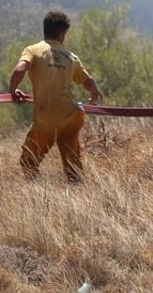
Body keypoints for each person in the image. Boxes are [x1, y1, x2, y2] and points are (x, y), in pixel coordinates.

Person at [8, 11, 103, 184]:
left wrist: (13, 90)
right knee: (72, 165)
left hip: (46, 119)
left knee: (28, 161)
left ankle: (38, 195)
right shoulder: (71, 57)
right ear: (62, 34)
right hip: (71, 116)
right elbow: (88, 81)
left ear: (45, 30)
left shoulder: (34, 50)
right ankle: (79, 195)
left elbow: (19, 70)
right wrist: (94, 93)